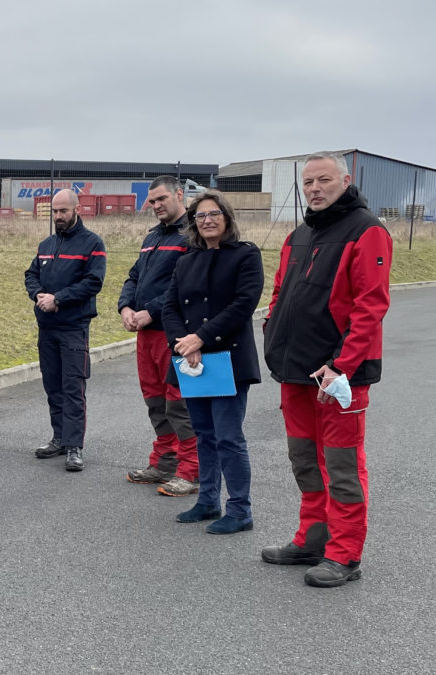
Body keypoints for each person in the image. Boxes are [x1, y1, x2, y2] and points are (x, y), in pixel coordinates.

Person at [260, 152, 393, 587]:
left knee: (341, 465)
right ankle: (312, 539)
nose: (315, 189)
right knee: (304, 460)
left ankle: (345, 554)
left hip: (337, 379)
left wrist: (342, 367)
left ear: (345, 180)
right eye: (308, 183)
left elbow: (369, 306)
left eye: (323, 180)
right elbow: (280, 291)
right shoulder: (298, 235)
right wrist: (271, 333)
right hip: (295, 373)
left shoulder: (367, 231)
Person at [162, 191, 263, 534]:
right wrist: (183, 344)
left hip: (227, 360)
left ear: (227, 217)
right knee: (203, 434)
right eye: (200, 216)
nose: (207, 220)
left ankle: (240, 509)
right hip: (192, 361)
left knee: (228, 438)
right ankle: (207, 500)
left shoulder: (246, 255)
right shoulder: (185, 261)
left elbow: (243, 304)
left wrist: (200, 337)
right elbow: (170, 308)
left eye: (213, 214)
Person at [118, 175, 200, 497]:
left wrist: (151, 310)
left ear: (179, 195)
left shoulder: (190, 235)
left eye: (162, 199)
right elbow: (134, 276)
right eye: (152, 201)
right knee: (155, 401)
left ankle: (191, 468)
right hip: (146, 334)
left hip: (173, 333)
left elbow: (182, 285)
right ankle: (165, 459)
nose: (156, 206)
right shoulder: (152, 237)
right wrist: (125, 306)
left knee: (179, 402)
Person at [24, 189, 107, 472]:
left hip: (73, 328)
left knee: (73, 388)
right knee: (53, 385)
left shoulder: (92, 244)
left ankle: (74, 447)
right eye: (55, 211)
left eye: (63, 211)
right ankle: (59, 437)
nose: (58, 216)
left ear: (76, 209)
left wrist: (58, 298)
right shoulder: (46, 245)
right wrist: (38, 295)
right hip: (46, 329)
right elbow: (31, 275)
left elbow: (93, 282)